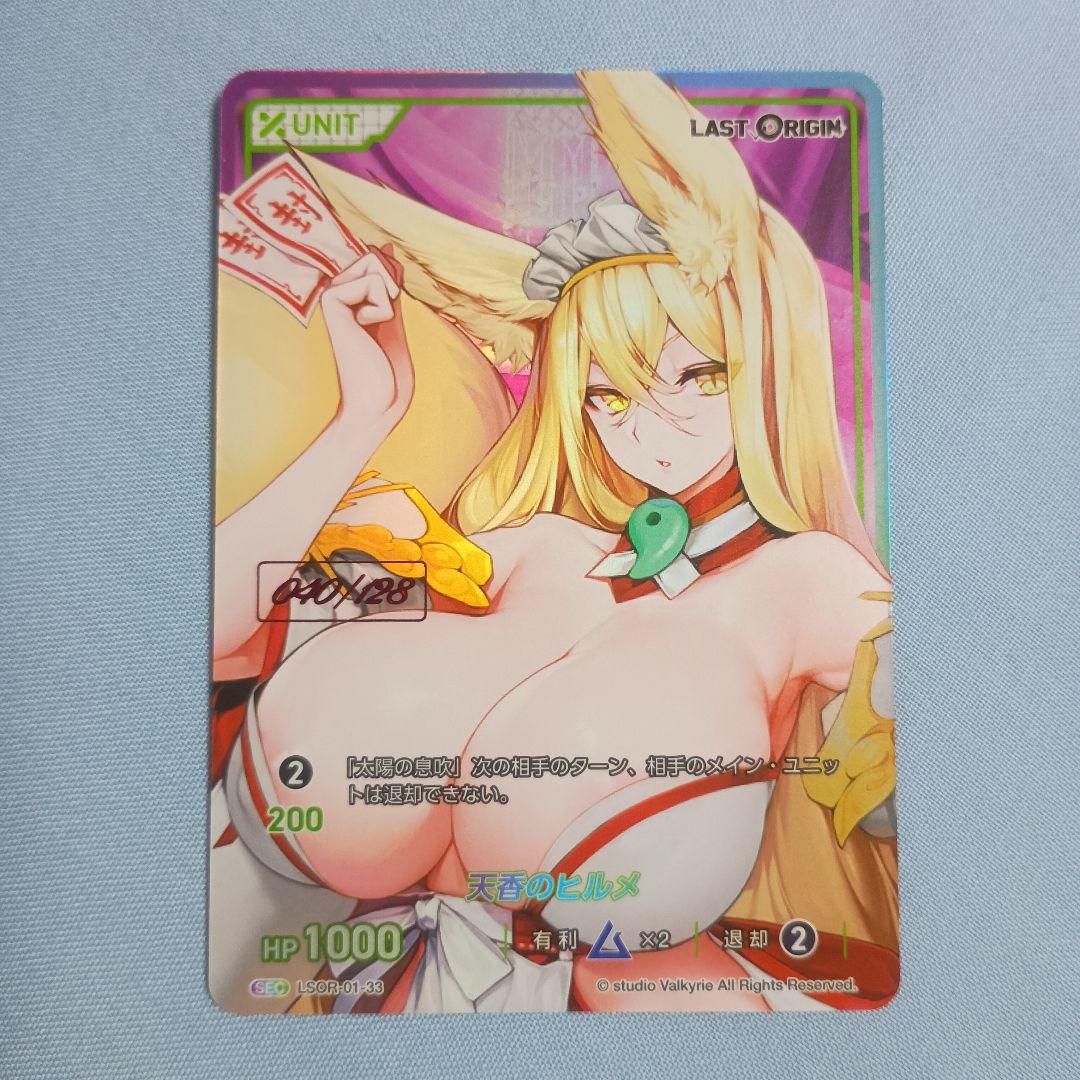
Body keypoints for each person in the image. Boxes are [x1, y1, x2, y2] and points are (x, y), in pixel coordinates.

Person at [209, 70, 898, 1015]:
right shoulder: (528, 545)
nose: (648, 424)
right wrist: (370, 411)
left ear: (771, 371)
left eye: (699, 376)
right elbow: (208, 633)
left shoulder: (804, 584)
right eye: (607, 393)